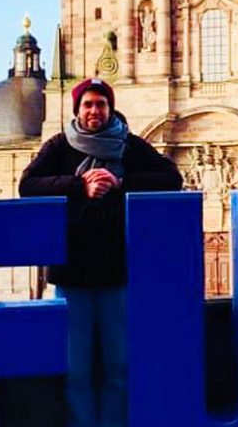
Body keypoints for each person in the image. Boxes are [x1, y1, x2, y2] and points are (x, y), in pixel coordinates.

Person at [18, 78, 182, 427]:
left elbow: (171, 178)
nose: (94, 111)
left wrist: (120, 183)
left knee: (118, 367)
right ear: (77, 109)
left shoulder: (129, 144)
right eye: (88, 104)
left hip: (116, 272)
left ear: (110, 108)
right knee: (75, 369)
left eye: (101, 104)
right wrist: (81, 184)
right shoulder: (59, 145)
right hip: (72, 273)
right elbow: (27, 185)